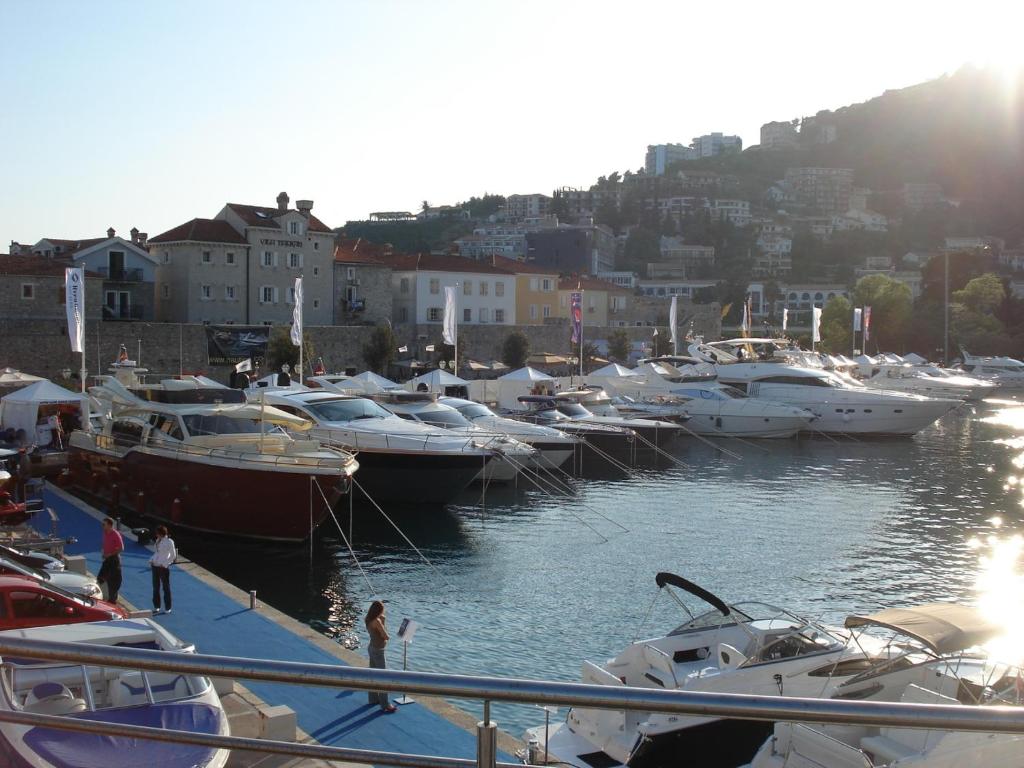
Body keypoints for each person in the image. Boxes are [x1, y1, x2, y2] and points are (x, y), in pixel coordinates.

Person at [364, 600, 397, 713]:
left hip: (371, 648)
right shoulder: (377, 621)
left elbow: (377, 632)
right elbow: (385, 636)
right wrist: (383, 622)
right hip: (378, 651)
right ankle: (385, 704)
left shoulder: (368, 618)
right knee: (383, 676)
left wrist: (382, 620)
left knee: (373, 674)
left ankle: (373, 698)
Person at [149, 525, 177, 614]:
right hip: (155, 565)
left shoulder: (169, 542)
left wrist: (165, 564)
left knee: (166, 587)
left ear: (161, 533)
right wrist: (152, 560)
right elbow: (157, 552)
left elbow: (173, 555)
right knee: (155, 587)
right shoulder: (158, 540)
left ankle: (168, 607)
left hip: (162, 567)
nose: (156, 534)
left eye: (157, 533)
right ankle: (156, 606)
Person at [97, 517, 124, 603]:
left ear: (109, 525)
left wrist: (110, 554)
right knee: (101, 578)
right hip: (107, 559)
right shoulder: (105, 533)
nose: (102, 526)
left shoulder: (115, 534)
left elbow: (121, 548)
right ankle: (104, 597)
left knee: (113, 581)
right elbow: (105, 543)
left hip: (114, 560)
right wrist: (103, 552)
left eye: (104, 524)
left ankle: (112, 601)